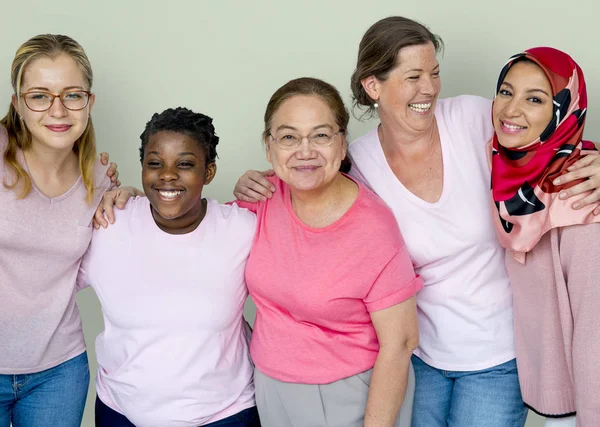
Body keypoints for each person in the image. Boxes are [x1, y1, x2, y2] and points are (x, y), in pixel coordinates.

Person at [231, 17, 600, 427]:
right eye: (413, 76)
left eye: (434, 73)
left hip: (500, 356)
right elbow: (307, 175)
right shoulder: (357, 163)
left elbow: (550, 138)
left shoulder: (474, 119)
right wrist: (253, 182)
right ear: (374, 87)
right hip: (419, 357)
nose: (429, 88)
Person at [98, 77, 422, 427]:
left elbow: (401, 342)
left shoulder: (373, 227)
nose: (305, 150)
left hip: (349, 395)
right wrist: (129, 198)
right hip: (269, 393)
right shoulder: (262, 203)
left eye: (321, 135)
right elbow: (188, 220)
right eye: (288, 137)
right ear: (269, 148)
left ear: (342, 144)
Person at [78, 107, 261, 427]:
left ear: (209, 172)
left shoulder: (242, 230)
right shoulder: (108, 224)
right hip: (121, 412)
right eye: (154, 163)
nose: (167, 175)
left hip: (224, 414)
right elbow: (45, 278)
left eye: (185, 164)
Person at [0, 34, 118, 427]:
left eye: (71, 94)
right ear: (17, 103)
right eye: (39, 95)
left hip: (59, 371)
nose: (58, 110)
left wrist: (127, 196)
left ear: (89, 102)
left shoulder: (101, 179)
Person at [489, 47, 600, 427]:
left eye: (535, 99)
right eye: (506, 91)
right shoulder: (505, 170)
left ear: (564, 113)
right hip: (544, 394)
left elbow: (595, 338)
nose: (511, 110)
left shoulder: (582, 200)